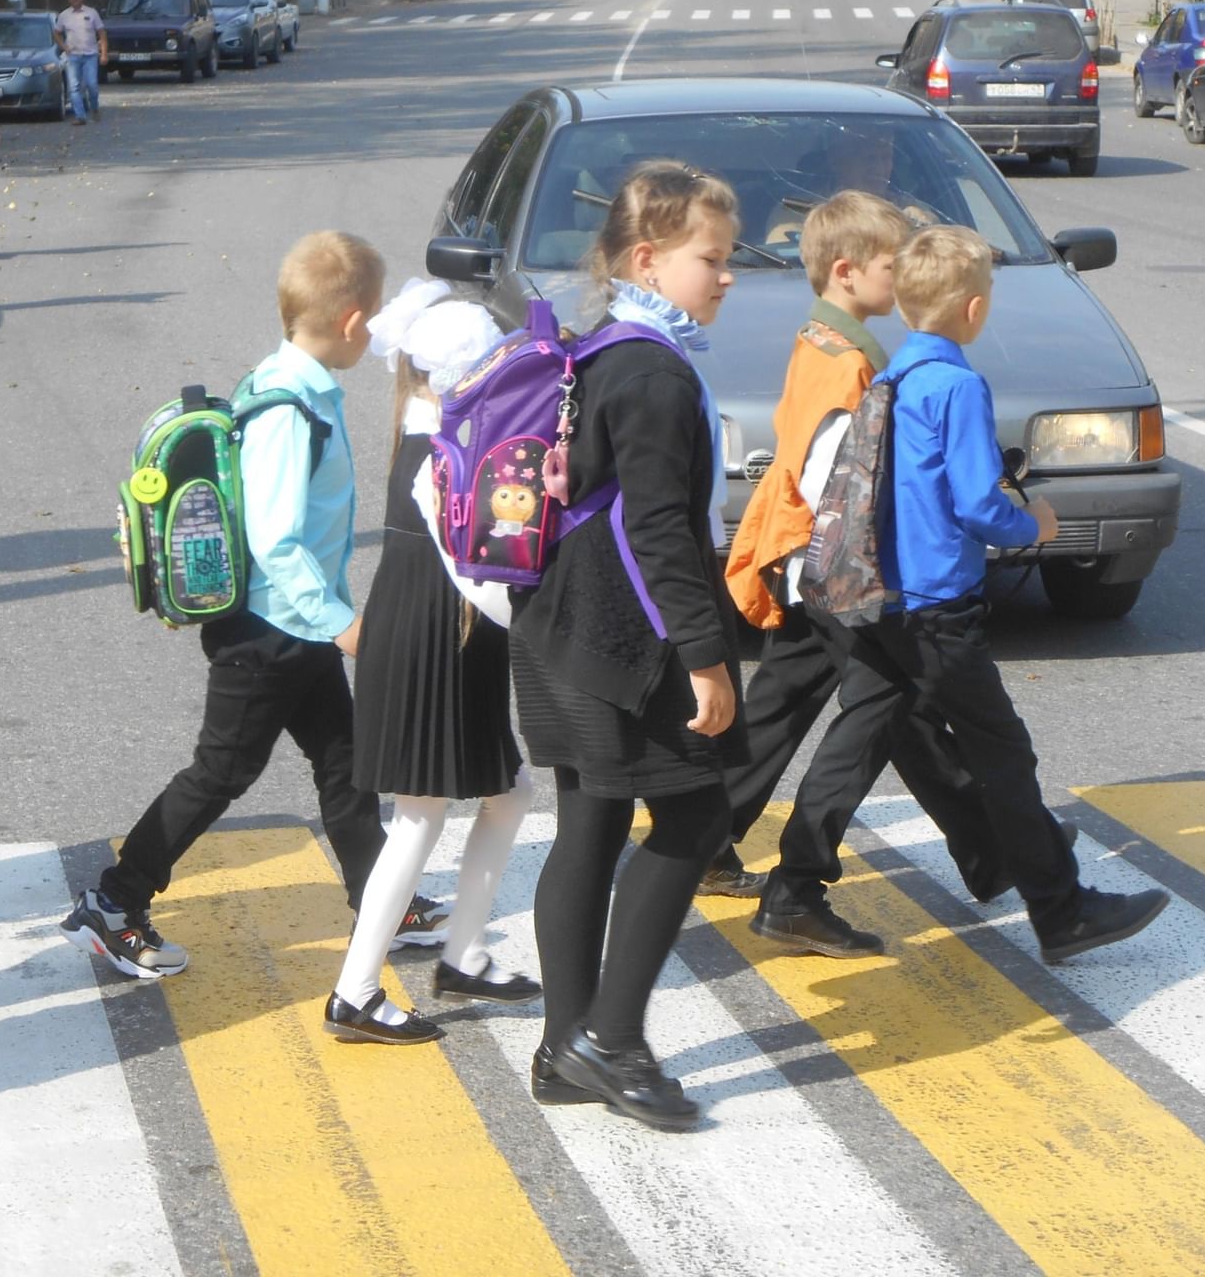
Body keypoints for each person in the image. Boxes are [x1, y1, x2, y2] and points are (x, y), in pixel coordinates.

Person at [755, 226, 1171, 965]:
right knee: (1003, 751)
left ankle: (795, 890)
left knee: (860, 738)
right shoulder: (957, 384)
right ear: (974, 309)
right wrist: (1033, 523)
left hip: (879, 597)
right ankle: (1062, 908)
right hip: (938, 607)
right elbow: (979, 503)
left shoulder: (891, 377)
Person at [62, 233, 446, 979]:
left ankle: (380, 899)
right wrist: (344, 625)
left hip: (295, 626)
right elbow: (274, 541)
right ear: (352, 322)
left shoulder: (286, 382)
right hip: (268, 633)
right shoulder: (288, 408)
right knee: (220, 772)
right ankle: (113, 903)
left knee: (347, 761)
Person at [712, 193, 1064, 930]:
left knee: (810, 701)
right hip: (838, 561)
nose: (898, 273)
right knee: (885, 709)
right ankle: (820, 875)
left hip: (808, 555)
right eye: (886, 263)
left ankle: (711, 839)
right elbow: (834, 476)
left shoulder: (825, 339)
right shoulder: (857, 364)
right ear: (847, 273)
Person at [509, 162, 743, 1132]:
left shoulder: (602, 345)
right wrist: (703, 653)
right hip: (621, 642)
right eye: (711, 259)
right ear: (647, 257)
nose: (726, 276)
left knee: (591, 830)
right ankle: (612, 1038)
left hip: (558, 634)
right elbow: (654, 530)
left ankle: (566, 1051)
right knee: (693, 822)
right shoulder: (650, 370)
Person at [324, 281, 541, 1046]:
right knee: (418, 817)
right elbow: (486, 562)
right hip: (433, 634)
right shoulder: (444, 448)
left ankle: (465, 951)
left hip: (444, 631)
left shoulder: (429, 429)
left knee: (508, 792)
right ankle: (355, 990)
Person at [52, 0, 107, 125]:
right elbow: (57, 33)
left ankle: (94, 108)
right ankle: (80, 116)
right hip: (73, 56)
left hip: (90, 55)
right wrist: (64, 47)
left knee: (92, 84)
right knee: (74, 87)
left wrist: (104, 53)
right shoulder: (64, 15)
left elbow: (102, 33)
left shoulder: (91, 13)